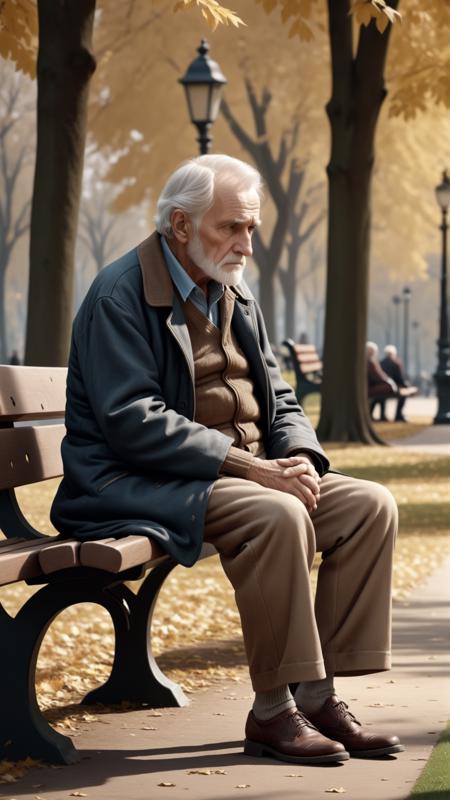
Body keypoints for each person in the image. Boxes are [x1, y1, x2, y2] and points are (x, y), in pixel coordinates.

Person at [51, 155, 404, 765]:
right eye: (230, 228)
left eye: (250, 229)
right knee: (278, 516)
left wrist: (295, 457)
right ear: (181, 225)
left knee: (369, 505)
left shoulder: (235, 294)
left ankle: (316, 695)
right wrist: (255, 470)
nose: (245, 243)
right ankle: (272, 713)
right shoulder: (119, 294)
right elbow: (132, 419)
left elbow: (280, 394)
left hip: (237, 473)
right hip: (132, 480)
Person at [380, 345, 413, 422]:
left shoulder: (380, 363)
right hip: (392, 388)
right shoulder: (396, 363)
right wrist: (406, 386)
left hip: (382, 387)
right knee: (404, 395)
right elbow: (399, 378)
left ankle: (382, 415)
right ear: (394, 354)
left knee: (381, 398)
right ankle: (398, 415)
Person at [366, 341, 397, 421]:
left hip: (369, 387)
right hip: (370, 388)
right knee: (386, 390)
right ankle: (381, 415)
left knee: (381, 395)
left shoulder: (369, 362)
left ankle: (375, 414)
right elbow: (379, 376)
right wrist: (389, 382)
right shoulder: (370, 362)